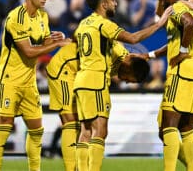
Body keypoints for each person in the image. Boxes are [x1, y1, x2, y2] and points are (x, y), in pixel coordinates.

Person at [73, 0, 170, 171]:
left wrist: (143, 56)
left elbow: (109, 50)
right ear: (104, 3)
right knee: (100, 131)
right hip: (96, 81)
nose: (115, 3)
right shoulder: (104, 24)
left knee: (86, 130)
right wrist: (159, 24)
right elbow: (133, 39)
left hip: (81, 81)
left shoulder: (83, 24)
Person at [0, 0, 71, 171]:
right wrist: (56, 45)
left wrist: (54, 38)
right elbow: (28, 51)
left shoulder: (42, 16)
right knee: (4, 126)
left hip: (29, 81)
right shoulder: (15, 18)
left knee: (36, 130)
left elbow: (41, 44)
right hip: (9, 80)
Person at [46, 39, 150, 171]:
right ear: (129, 68)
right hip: (64, 69)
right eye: (128, 79)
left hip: (79, 76)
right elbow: (96, 36)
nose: (125, 81)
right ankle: (71, 168)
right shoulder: (116, 51)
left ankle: (81, 166)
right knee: (71, 122)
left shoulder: (120, 64)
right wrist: (72, 41)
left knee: (84, 126)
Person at [148, 0, 193, 171]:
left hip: (181, 72)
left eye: (190, 4)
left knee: (167, 126)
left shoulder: (182, 12)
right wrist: (151, 55)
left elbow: (187, 24)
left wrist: (182, 51)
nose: (186, 5)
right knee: (188, 128)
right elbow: (170, 32)